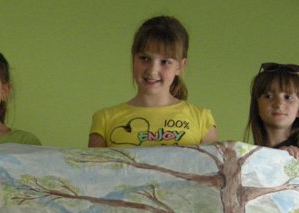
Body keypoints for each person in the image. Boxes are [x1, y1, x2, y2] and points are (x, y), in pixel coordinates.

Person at [88, 16, 217, 148]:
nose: (152, 71)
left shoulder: (202, 120)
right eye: (145, 58)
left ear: (180, 66)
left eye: (165, 62)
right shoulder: (104, 120)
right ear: (133, 59)